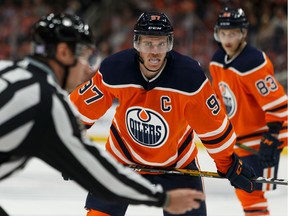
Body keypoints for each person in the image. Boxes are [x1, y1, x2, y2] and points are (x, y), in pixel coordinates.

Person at [0, 12, 207, 216]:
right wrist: (164, 199)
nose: (87, 66)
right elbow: (101, 177)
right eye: (83, 55)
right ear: (63, 53)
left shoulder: (12, 75)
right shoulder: (46, 101)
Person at [69, 11, 257, 216]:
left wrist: (226, 162)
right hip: (121, 159)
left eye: (161, 44)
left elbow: (213, 127)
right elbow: (80, 110)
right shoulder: (115, 69)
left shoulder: (189, 77)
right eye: (148, 44)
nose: (155, 52)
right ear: (136, 44)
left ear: (170, 44)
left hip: (177, 165)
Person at [209, 7, 288, 216]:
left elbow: (277, 103)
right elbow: (220, 99)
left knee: (248, 190)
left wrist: (272, 134)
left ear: (243, 33)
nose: (227, 39)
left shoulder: (253, 61)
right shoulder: (217, 61)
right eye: (223, 33)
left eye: (233, 33)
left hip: (272, 130)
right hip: (243, 137)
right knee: (247, 192)